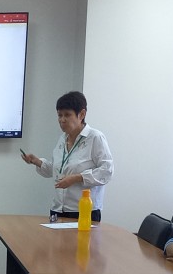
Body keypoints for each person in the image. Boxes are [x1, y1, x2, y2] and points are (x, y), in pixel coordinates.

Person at [20, 91, 114, 222]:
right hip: (58, 209)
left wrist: (77, 178)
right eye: (59, 115)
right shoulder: (62, 139)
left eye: (67, 115)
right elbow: (57, 170)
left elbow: (107, 171)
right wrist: (37, 162)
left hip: (83, 210)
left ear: (82, 114)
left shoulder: (95, 138)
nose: (62, 120)